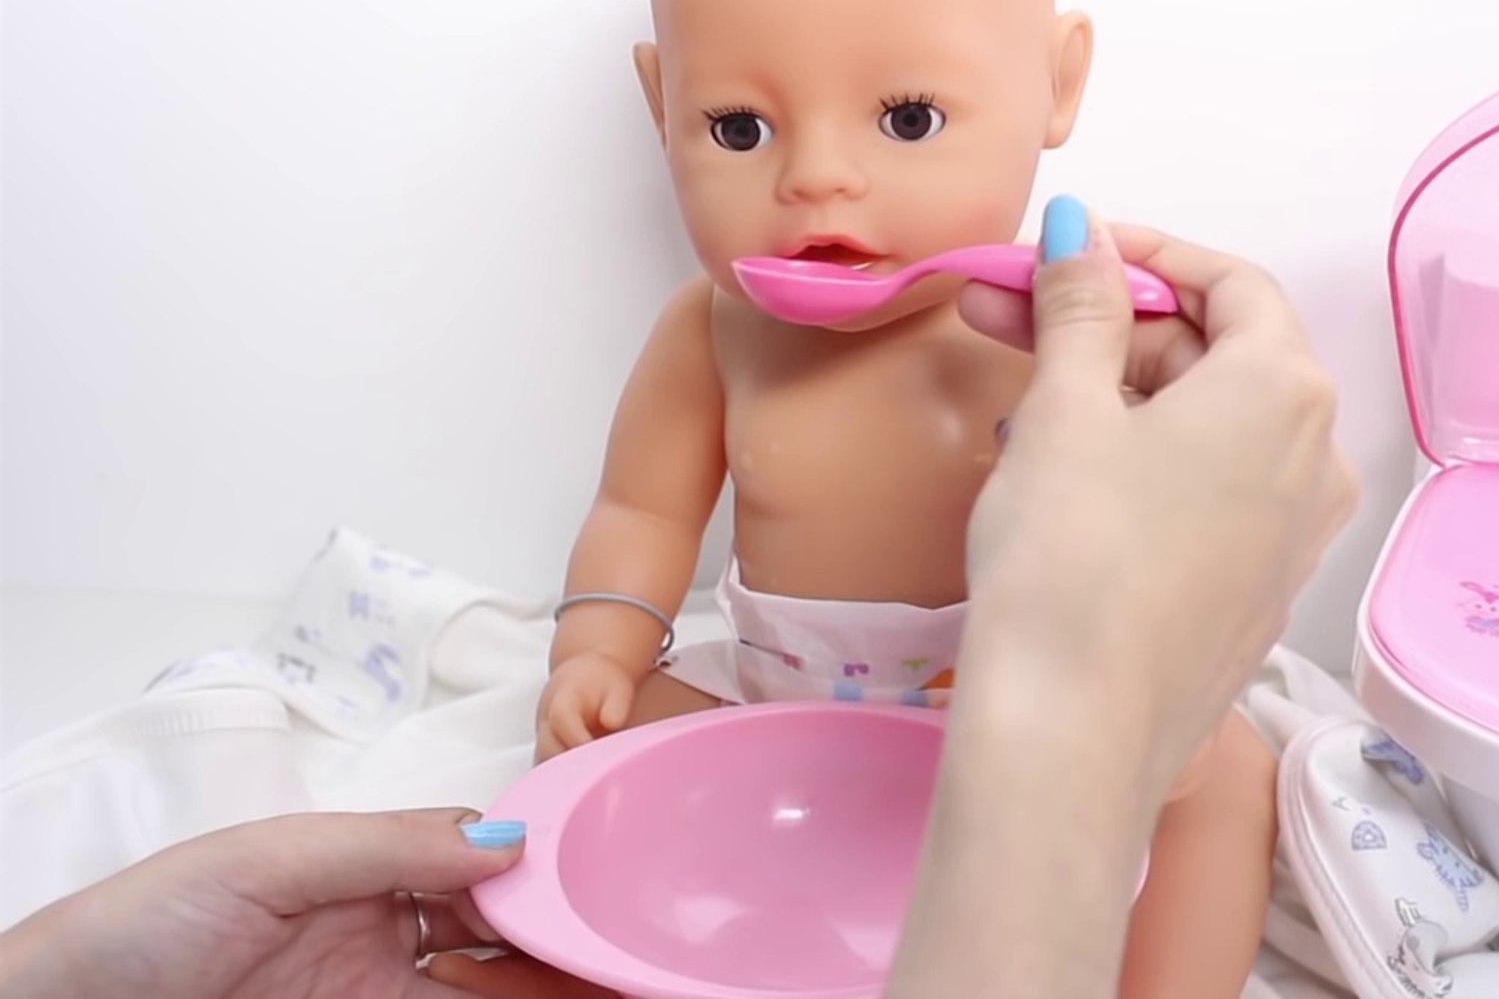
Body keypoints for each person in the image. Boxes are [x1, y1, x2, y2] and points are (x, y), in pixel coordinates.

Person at [0, 206, 1357, 999]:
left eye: (907, 117)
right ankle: (615, 956)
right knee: (585, 770)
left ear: (1054, 87)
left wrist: (1155, 668)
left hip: (992, 710)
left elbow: (1149, 552)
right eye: (738, 125)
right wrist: (601, 641)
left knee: (1226, 777)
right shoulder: (716, 331)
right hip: (775, 697)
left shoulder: (1061, 336)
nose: (818, 170)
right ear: (664, 102)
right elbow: (646, 511)